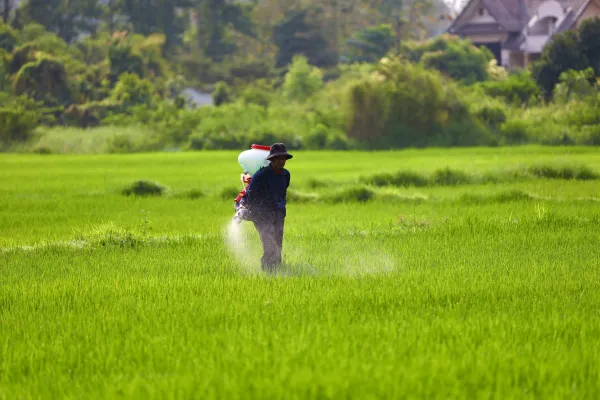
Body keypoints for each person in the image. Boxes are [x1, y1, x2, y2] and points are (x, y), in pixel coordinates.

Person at [243, 143, 292, 272]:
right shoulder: (261, 175)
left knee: (278, 243)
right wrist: (246, 209)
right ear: (272, 159)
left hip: (279, 214)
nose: (282, 161)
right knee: (269, 244)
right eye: (279, 158)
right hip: (262, 215)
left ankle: (277, 269)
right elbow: (250, 195)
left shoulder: (286, 175)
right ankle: (268, 272)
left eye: (283, 158)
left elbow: (282, 191)